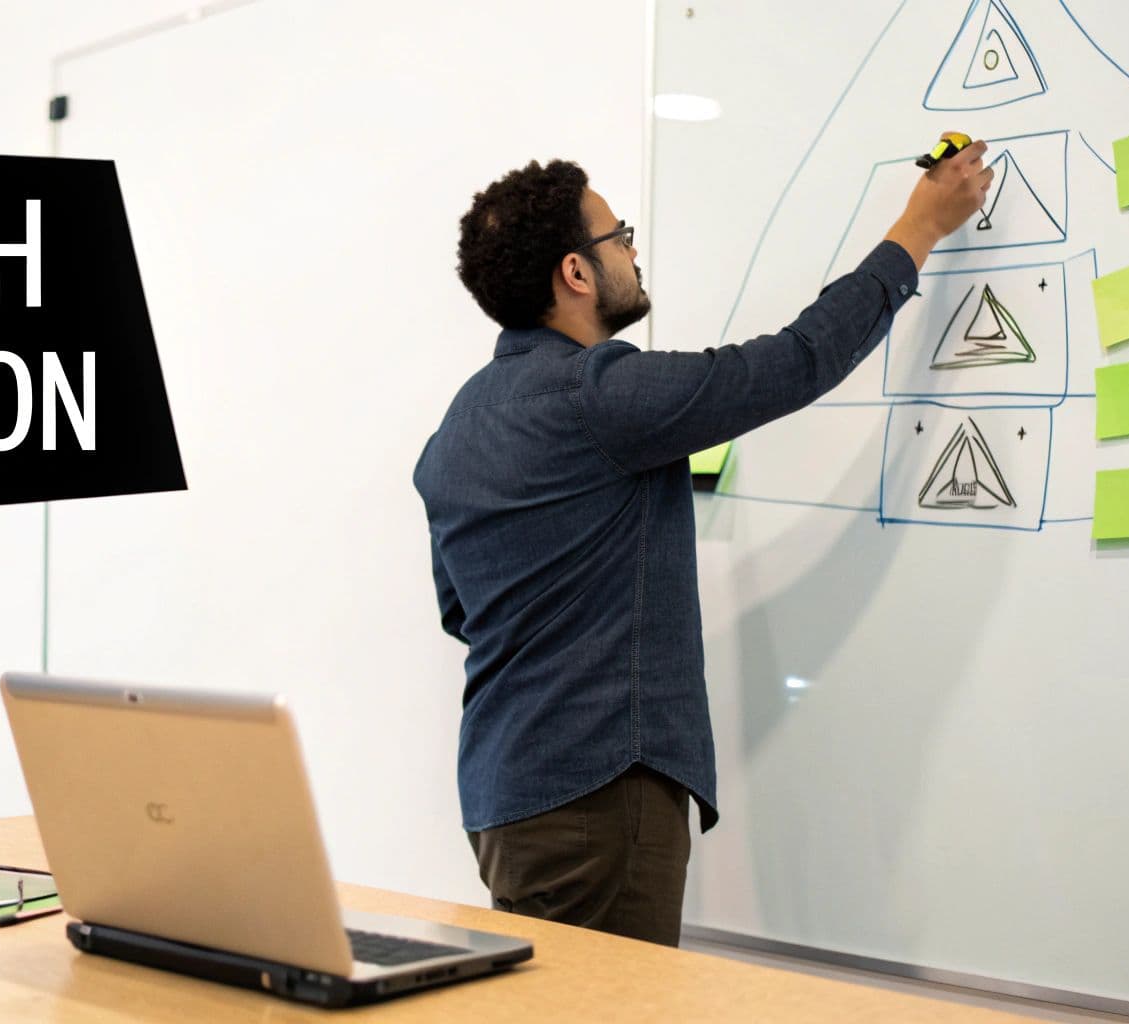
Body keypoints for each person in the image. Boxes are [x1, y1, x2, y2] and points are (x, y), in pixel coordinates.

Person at [412, 136, 992, 946]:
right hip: (597, 793)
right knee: (612, 1005)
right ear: (576, 272)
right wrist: (919, 229)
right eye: (619, 236)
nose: (632, 250)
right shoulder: (597, 397)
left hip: (503, 799)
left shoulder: (454, 432)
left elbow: (462, 613)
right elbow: (797, 360)